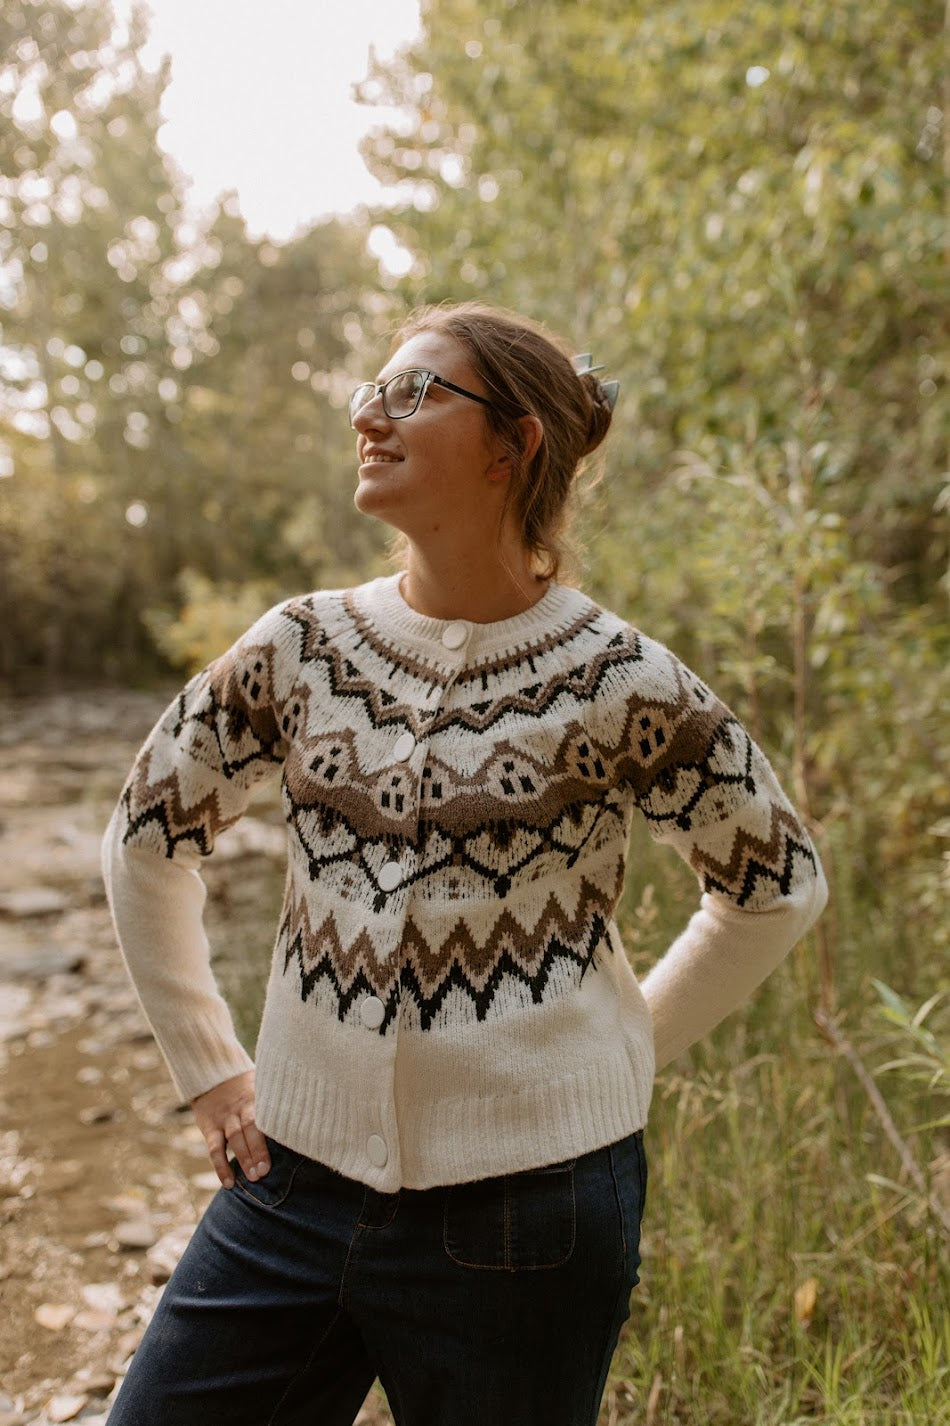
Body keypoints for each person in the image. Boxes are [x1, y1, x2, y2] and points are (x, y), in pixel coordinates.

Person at [101, 300, 827, 1426]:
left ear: (513, 443)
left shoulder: (617, 681)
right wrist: (209, 1065)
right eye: (368, 391)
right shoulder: (302, 648)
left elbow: (773, 883)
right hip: (288, 1188)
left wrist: (625, 1043)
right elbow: (147, 836)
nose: (368, 415)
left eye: (411, 392)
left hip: (531, 1220)